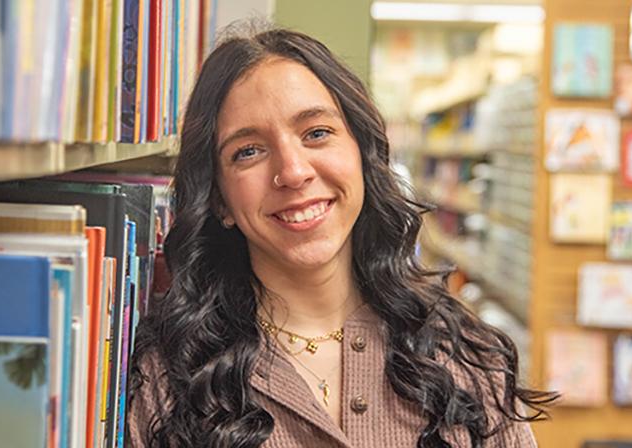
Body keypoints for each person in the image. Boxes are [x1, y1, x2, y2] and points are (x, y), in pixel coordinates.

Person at [128, 25, 557, 447]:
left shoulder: (468, 360)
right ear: (219, 200)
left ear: (363, 155)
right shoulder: (167, 380)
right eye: (248, 151)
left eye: (316, 133)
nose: (293, 172)